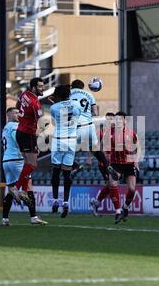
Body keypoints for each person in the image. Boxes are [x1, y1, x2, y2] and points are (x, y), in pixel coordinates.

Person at [1, 107, 47, 226]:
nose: (17, 114)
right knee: (29, 187)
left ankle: (5, 218)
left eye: (18, 112)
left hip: (6, 160)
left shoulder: (5, 127)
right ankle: (34, 217)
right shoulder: (14, 126)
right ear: (8, 115)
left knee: (11, 189)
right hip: (17, 160)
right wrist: (30, 149)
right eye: (14, 113)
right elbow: (18, 139)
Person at [69, 79, 120, 181]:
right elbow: (95, 113)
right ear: (82, 87)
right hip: (89, 126)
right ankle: (107, 165)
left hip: (77, 126)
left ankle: (75, 166)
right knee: (95, 149)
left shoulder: (68, 94)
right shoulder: (89, 95)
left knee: (62, 150)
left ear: (72, 86)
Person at [50, 84, 82, 218]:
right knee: (67, 174)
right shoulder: (77, 105)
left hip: (58, 139)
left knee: (56, 171)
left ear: (57, 95)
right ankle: (66, 202)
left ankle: (55, 200)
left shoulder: (54, 107)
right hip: (71, 140)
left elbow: (54, 122)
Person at [12, 77, 44, 203]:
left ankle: (24, 190)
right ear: (34, 87)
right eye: (40, 86)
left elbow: (17, 106)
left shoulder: (24, 94)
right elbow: (40, 122)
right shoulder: (35, 103)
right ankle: (16, 188)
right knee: (32, 164)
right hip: (28, 134)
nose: (43, 88)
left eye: (43, 86)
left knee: (27, 163)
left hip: (20, 131)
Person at [110, 112, 141, 224]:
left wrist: (136, 161)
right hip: (116, 163)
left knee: (132, 189)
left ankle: (125, 207)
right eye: (116, 119)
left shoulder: (130, 132)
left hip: (129, 163)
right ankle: (118, 211)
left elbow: (138, 147)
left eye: (120, 119)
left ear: (124, 120)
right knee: (113, 184)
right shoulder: (110, 133)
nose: (117, 121)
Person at [90, 112, 115, 216]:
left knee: (110, 185)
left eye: (111, 119)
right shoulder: (101, 132)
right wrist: (90, 157)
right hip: (104, 163)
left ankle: (96, 202)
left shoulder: (118, 132)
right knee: (111, 184)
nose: (110, 121)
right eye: (108, 119)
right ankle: (117, 209)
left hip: (115, 162)